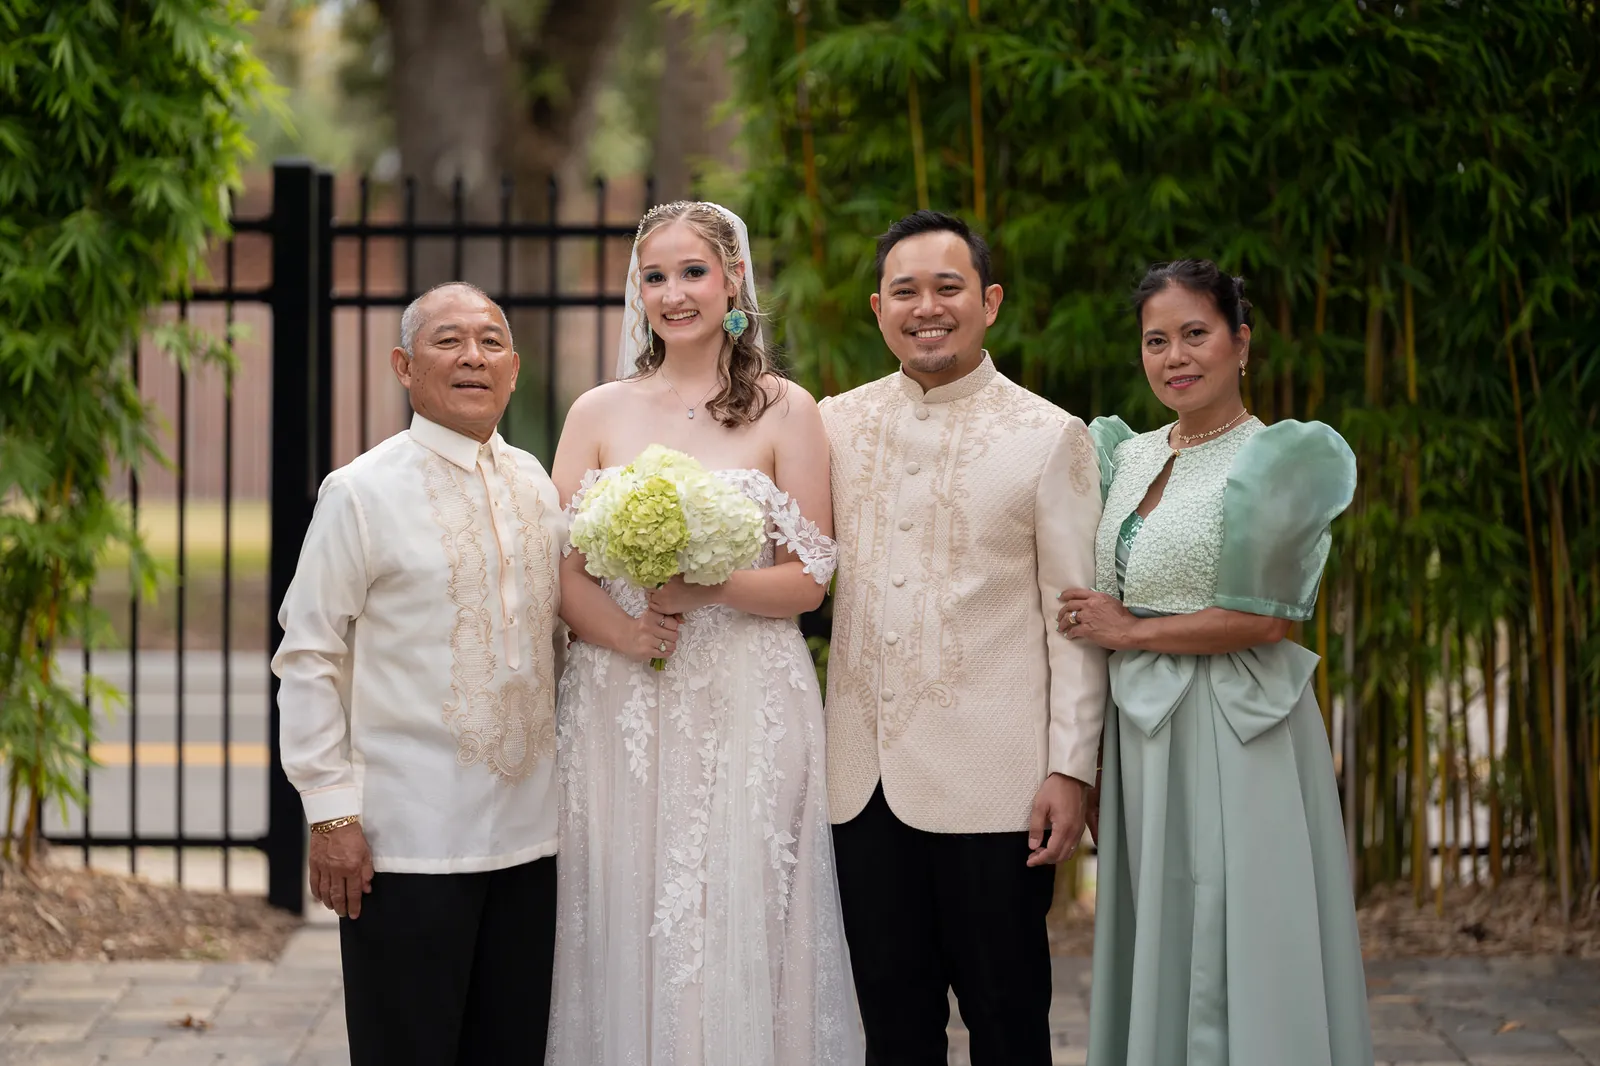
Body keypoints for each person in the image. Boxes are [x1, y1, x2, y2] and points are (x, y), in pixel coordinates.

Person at [545, 200, 862, 1064]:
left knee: (743, 907)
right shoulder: (597, 411)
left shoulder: (786, 410)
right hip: (621, 704)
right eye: (656, 276)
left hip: (747, 698)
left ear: (733, 282)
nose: (674, 292)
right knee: (624, 901)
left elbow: (810, 577)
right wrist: (624, 634)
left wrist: (704, 585)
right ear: (636, 293)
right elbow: (559, 568)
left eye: (693, 272)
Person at [1060, 259, 1373, 1066]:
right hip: (1143, 725)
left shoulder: (1275, 459)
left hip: (1238, 722)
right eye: (1155, 340)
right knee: (1161, 921)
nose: (1175, 356)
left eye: (1195, 334)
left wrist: (1128, 634)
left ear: (1241, 341)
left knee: (1241, 921)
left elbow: (1264, 621)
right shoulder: (1124, 455)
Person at [819, 209, 1108, 1065]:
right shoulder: (831, 425)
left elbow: (1076, 623)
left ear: (989, 301)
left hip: (997, 785)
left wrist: (1070, 768)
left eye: (948, 288)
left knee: (1007, 1019)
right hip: (860, 783)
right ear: (878, 309)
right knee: (893, 1026)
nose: (926, 307)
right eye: (905, 291)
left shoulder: (1049, 436)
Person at [272, 282, 566, 1065]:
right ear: (405, 365)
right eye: (448, 341)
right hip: (405, 845)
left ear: (514, 369)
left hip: (533, 843)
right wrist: (330, 815)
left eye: (491, 341)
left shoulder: (537, 484)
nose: (473, 356)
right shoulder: (361, 492)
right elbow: (308, 655)